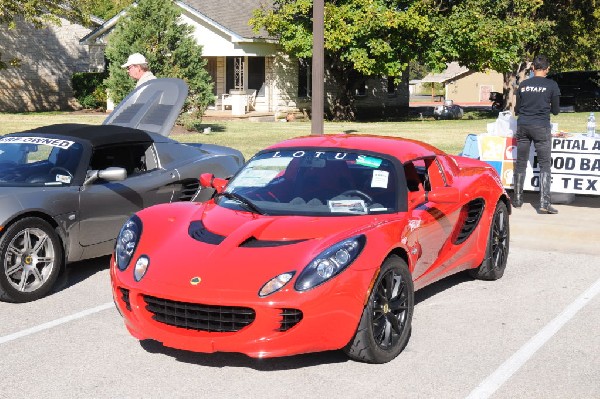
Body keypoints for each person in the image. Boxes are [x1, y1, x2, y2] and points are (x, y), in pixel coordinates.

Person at [514, 55, 561, 214]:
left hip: (523, 125)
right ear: (547, 69)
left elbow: (517, 109)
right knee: (545, 164)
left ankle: (518, 200)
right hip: (541, 126)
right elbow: (555, 111)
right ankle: (544, 202)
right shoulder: (552, 85)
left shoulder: (523, 84)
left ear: (533, 68)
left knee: (520, 162)